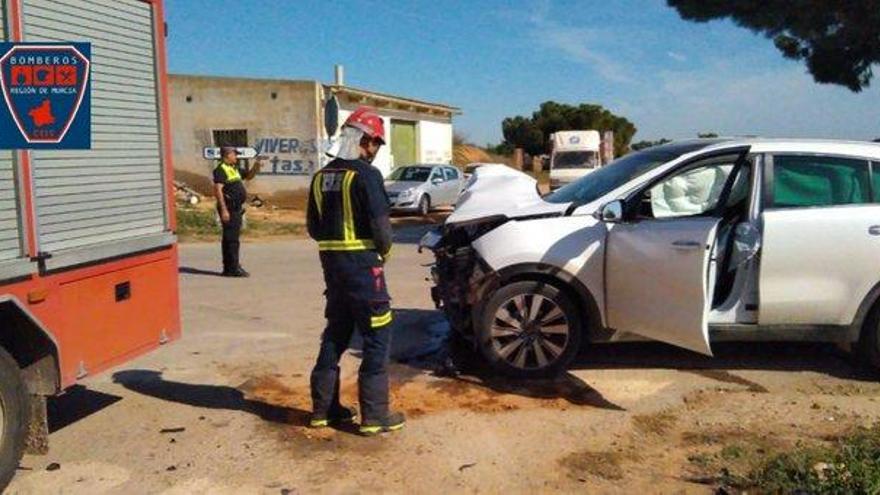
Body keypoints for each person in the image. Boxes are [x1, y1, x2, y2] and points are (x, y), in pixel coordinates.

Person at [307, 107, 404, 435]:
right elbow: (381, 228)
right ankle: (374, 417)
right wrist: (383, 255)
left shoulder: (321, 177)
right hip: (363, 267)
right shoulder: (365, 175)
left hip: (332, 269)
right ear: (365, 140)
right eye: (375, 143)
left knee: (336, 331)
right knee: (378, 335)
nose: (375, 150)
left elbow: (313, 228)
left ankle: (323, 411)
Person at [213, 146, 260, 277]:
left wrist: (257, 165)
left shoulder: (234, 169)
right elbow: (218, 191)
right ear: (227, 155)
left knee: (231, 238)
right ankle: (232, 268)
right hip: (229, 208)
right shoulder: (220, 170)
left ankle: (230, 267)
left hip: (236, 208)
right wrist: (224, 210)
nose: (236, 157)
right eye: (235, 154)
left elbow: (249, 176)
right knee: (231, 239)